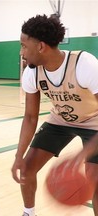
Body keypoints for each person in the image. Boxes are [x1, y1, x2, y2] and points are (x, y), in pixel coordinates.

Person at [11, 15, 98, 216]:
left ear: (41, 47)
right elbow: (31, 117)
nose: (21, 52)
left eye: (24, 46)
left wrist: (80, 157)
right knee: (26, 168)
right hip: (60, 120)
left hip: (94, 122)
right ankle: (28, 213)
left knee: (94, 181)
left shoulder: (85, 65)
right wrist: (18, 156)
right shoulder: (32, 72)